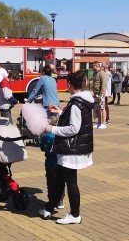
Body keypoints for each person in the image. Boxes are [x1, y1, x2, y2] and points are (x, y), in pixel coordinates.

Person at [39, 70, 94, 225]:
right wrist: (60, 111)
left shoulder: (76, 103)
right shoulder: (82, 101)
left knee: (70, 182)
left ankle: (75, 214)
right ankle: (49, 207)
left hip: (72, 150)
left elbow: (73, 128)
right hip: (74, 149)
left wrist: (52, 129)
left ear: (70, 85)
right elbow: (77, 118)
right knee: (60, 180)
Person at [40, 116, 65, 213]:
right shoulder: (62, 134)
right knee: (61, 182)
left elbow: (42, 148)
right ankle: (60, 201)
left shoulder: (46, 136)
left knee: (51, 183)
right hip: (62, 162)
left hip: (50, 163)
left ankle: (51, 202)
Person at [92, 62, 109, 129]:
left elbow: (104, 83)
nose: (92, 67)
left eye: (93, 66)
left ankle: (103, 123)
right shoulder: (95, 73)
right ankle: (99, 122)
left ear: (96, 66)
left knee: (102, 108)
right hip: (96, 93)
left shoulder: (101, 73)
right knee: (97, 109)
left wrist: (102, 93)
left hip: (100, 93)